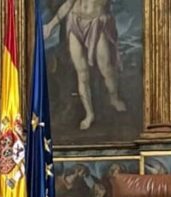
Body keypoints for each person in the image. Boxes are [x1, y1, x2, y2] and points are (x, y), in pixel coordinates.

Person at [45, 0, 126, 131]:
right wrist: (50, 25)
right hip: (75, 21)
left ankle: (114, 97)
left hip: (96, 22)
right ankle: (89, 114)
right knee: (82, 74)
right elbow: (69, 3)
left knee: (106, 69)